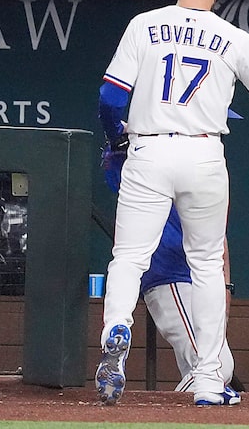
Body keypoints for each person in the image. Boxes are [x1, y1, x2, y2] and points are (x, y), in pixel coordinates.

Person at [94, 0, 249, 406]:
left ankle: (117, 326)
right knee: (207, 265)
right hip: (203, 151)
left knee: (129, 256)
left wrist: (118, 139)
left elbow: (110, 98)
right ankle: (210, 382)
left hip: (149, 147)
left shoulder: (143, 24)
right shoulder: (231, 36)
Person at [101, 121, 239, 400]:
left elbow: (218, 240)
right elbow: (115, 159)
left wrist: (224, 290)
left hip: (193, 278)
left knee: (205, 366)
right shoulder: (163, 156)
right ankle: (157, 414)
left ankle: (168, 413)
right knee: (217, 368)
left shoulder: (202, 163)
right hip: (173, 276)